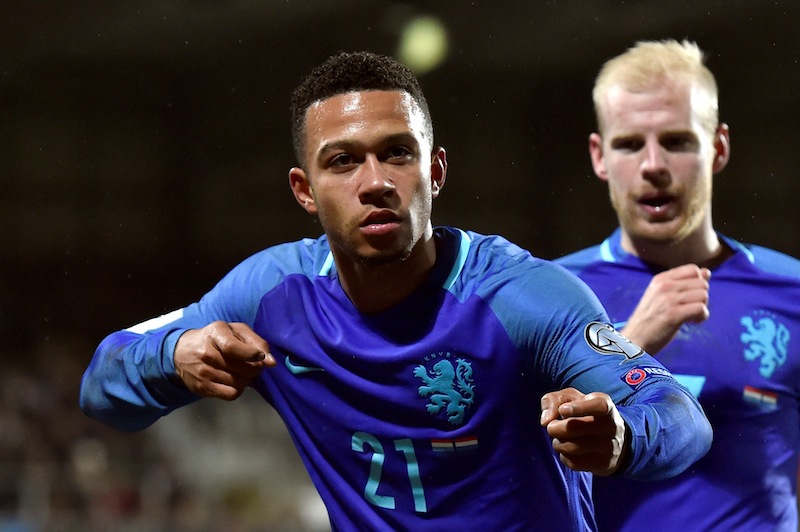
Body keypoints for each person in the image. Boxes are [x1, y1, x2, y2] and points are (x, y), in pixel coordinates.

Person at [80, 50, 711, 530]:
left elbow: (680, 414)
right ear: (305, 190)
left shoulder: (522, 297)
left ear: (435, 171)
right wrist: (173, 356)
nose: (375, 181)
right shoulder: (272, 297)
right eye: (343, 161)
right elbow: (102, 383)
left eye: (398, 154)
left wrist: (625, 440)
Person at [557, 39, 800, 531]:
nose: (653, 166)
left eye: (676, 140)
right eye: (629, 144)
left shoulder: (792, 292)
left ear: (718, 147)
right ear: (599, 156)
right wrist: (629, 344)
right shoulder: (550, 291)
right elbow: (512, 455)